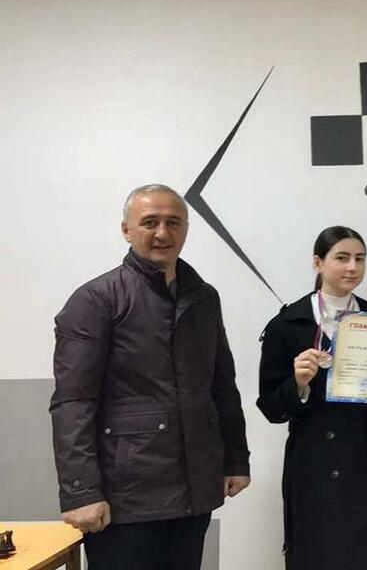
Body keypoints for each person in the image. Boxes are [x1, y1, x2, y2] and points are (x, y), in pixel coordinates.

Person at [50, 184, 250, 570]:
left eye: (173, 222)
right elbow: (73, 401)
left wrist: (235, 459)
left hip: (194, 491)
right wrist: (81, 492)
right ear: (126, 230)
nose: (162, 232)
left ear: (186, 229)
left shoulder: (204, 298)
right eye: (150, 222)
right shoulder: (96, 300)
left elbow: (222, 385)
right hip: (126, 496)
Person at [256, 226, 367, 569]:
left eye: (360, 259)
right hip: (315, 461)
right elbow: (270, 408)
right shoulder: (288, 323)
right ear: (318, 263)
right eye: (342, 258)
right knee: (320, 553)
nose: (352, 267)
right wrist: (298, 383)